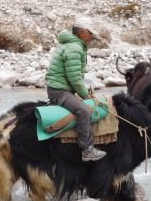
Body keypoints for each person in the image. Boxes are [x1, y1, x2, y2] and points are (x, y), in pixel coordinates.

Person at [45, 17, 107, 162]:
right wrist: (85, 95)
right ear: (81, 33)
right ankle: (87, 150)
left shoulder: (71, 44)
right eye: (89, 33)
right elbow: (74, 78)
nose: (91, 36)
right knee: (83, 110)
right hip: (59, 90)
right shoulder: (75, 48)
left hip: (60, 88)